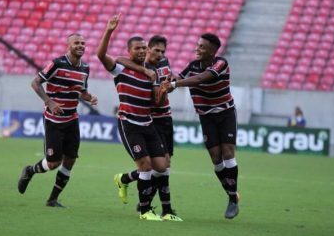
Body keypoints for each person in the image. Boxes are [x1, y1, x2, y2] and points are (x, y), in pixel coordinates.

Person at [96, 14, 181, 221]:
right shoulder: (121, 68)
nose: (142, 51)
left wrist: (162, 91)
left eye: (144, 48)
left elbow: (157, 102)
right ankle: (145, 210)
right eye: (138, 48)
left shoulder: (152, 72)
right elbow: (102, 55)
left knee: (161, 167)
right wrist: (109, 30)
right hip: (129, 122)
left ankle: (124, 180)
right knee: (145, 166)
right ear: (129, 51)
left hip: (148, 123)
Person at [164, 33, 240, 219]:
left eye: (202, 47)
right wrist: (164, 75)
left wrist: (175, 83)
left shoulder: (221, 63)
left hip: (226, 113)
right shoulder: (192, 66)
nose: (197, 49)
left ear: (213, 51)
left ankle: (232, 198)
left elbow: (199, 79)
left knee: (228, 152)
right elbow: (178, 77)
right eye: (197, 45)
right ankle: (231, 193)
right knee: (216, 159)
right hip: (206, 117)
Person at [17, 33, 98, 207]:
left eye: (83, 43)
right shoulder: (57, 64)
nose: (81, 46)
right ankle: (30, 171)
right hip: (53, 120)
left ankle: (52, 199)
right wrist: (49, 101)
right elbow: (35, 83)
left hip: (72, 119)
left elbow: (81, 91)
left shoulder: (85, 68)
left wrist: (88, 97)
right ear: (68, 45)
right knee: (54, 163)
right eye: (77, 43)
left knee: (70, 160)